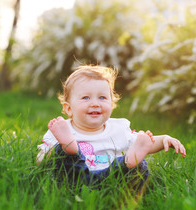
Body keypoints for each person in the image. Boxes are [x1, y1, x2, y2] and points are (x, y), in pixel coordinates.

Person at [36, 65, 186, 191]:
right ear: (68, 109)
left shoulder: (118, 129)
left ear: (112, 104)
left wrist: (165, 139)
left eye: (102, 98)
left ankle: (128, 161)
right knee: (61, 154)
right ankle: (69, 149)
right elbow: (40, 161)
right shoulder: (62, 130)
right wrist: (49, 155)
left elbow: (148, 144)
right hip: (74, 178)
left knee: (136, 165)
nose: (95, 103)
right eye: (86, 98)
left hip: (112, 179)